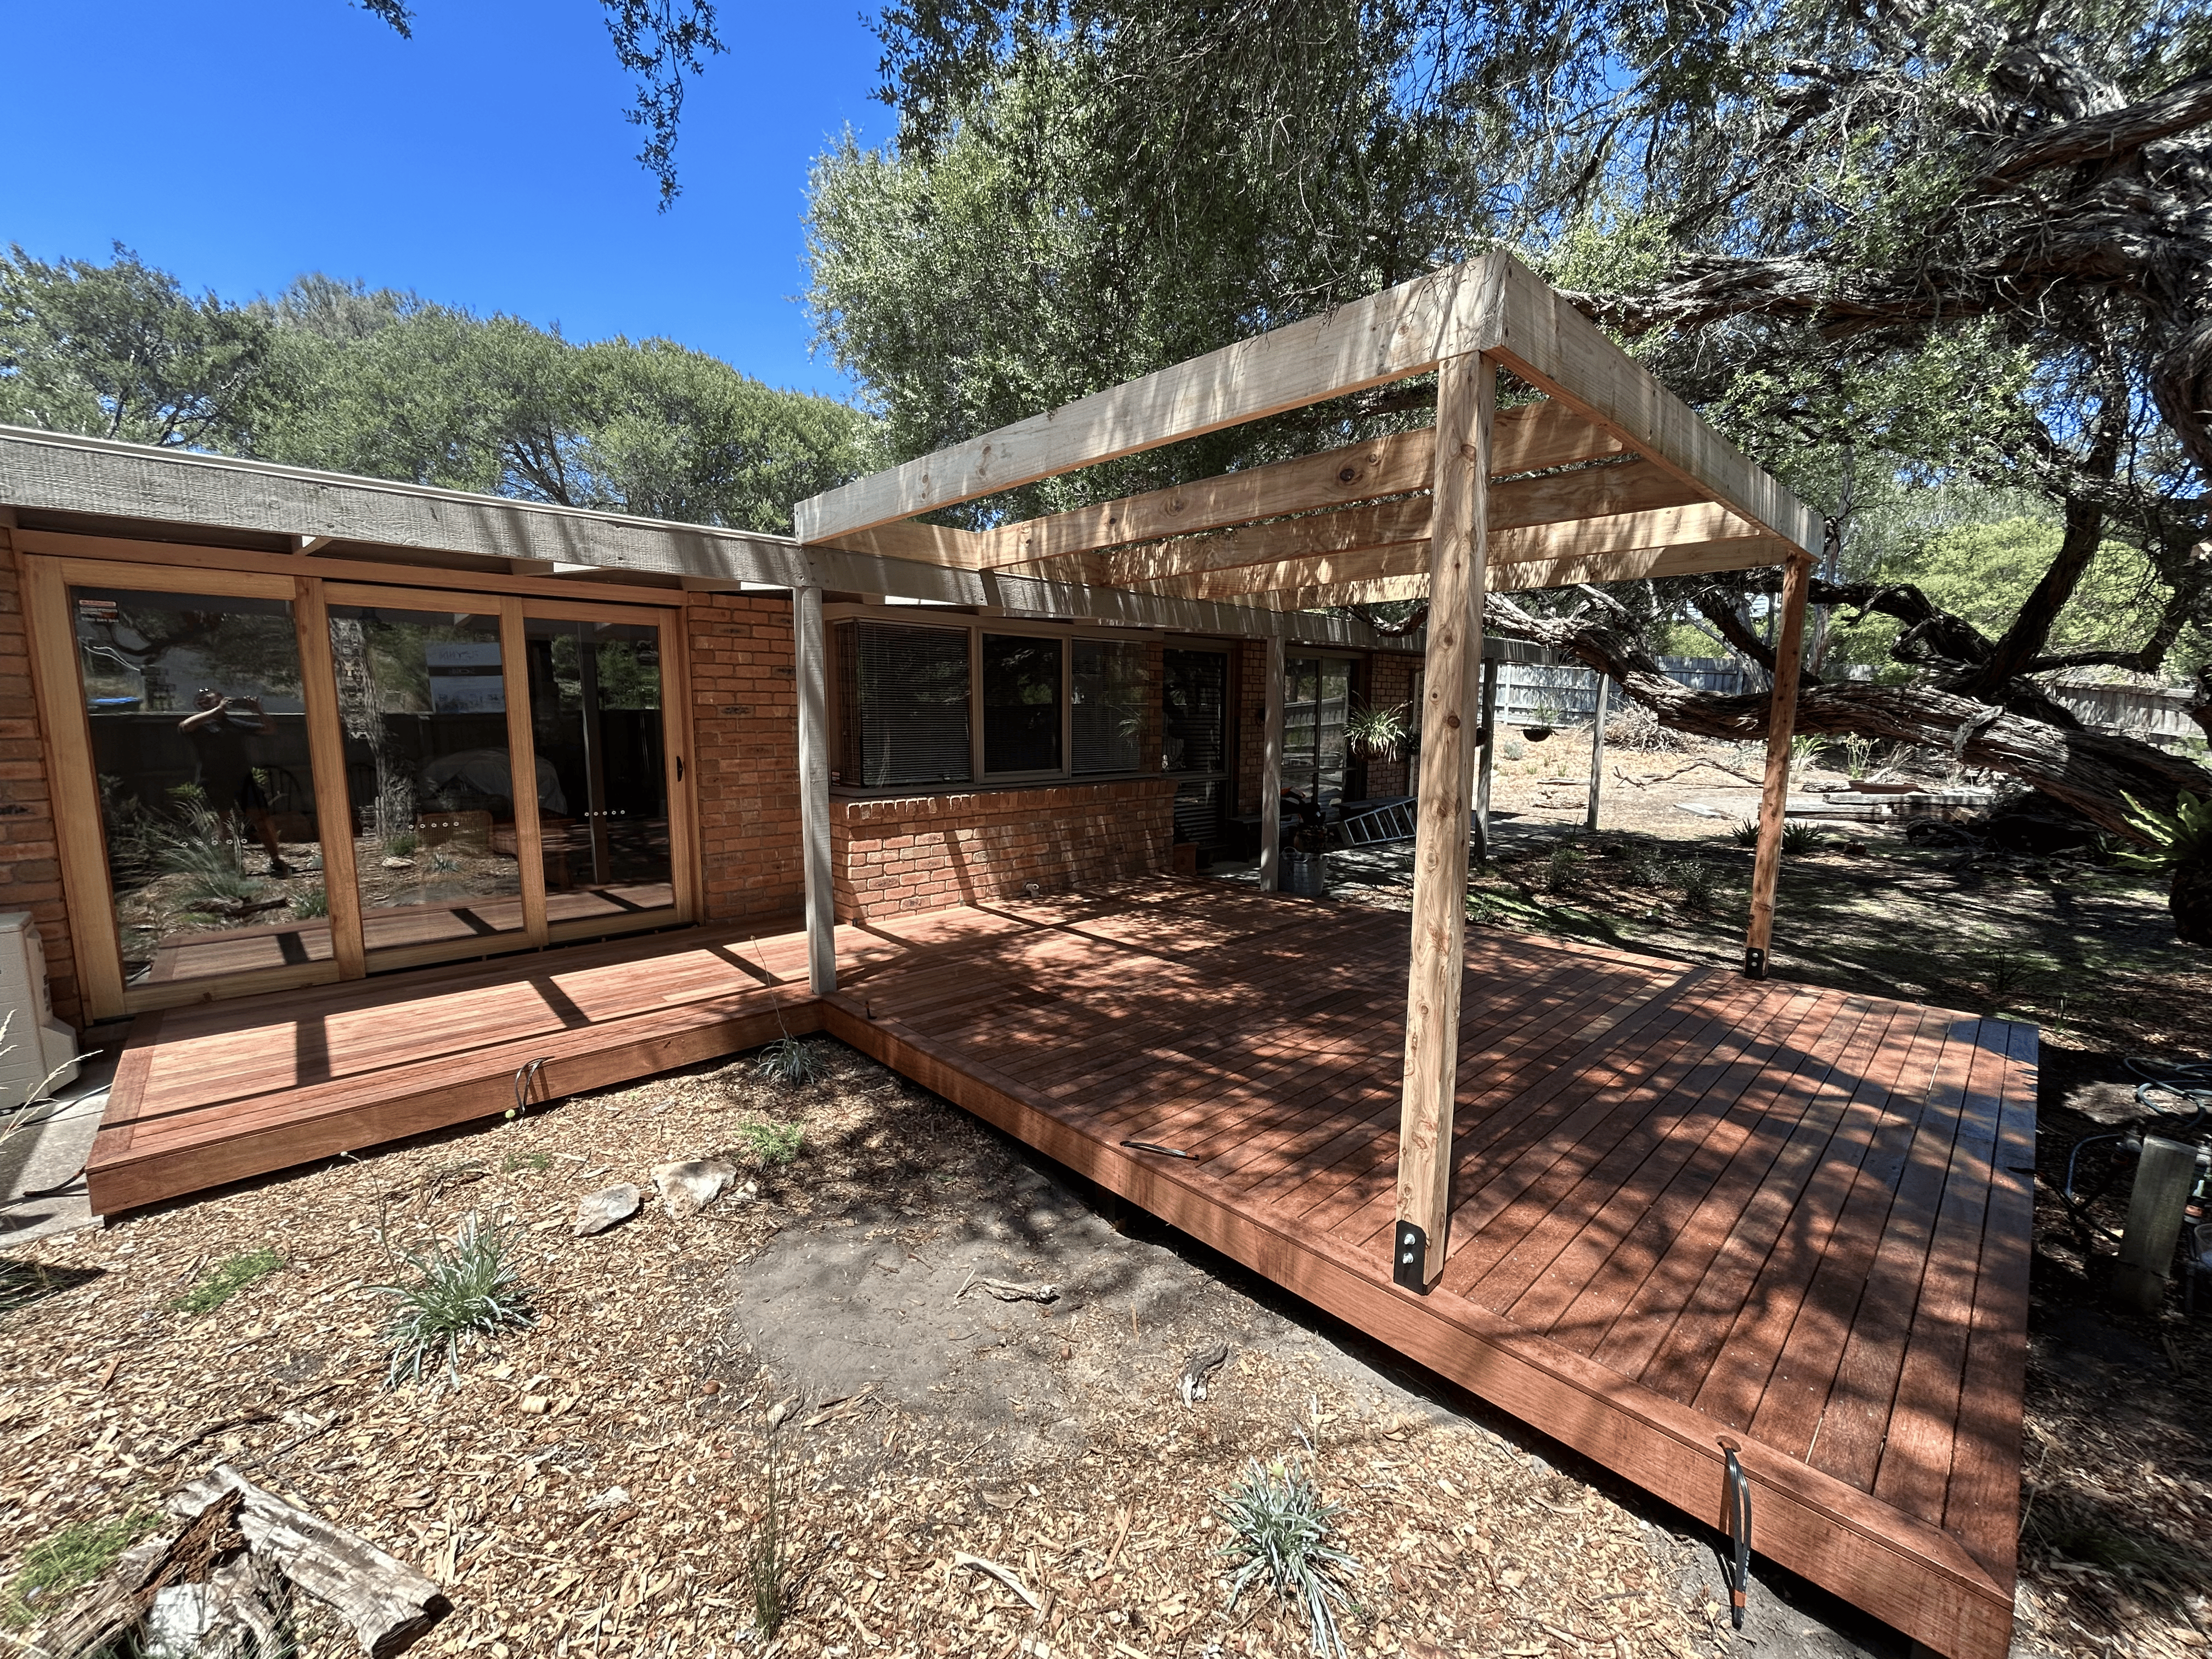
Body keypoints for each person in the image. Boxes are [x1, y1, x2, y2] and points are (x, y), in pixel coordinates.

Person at [178, 689, 291, 877]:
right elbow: (185, 726)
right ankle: (232, 868)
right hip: (215, 781)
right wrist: (216, 711)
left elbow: (269, 730)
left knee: (260, 819)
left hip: (242, 778)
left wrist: (259, 712)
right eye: (206, 700)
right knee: (227, 823)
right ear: (201, 706)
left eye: (216, 698)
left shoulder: (233, 724)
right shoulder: (201, 725)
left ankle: (276, 861)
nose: (216, 701)